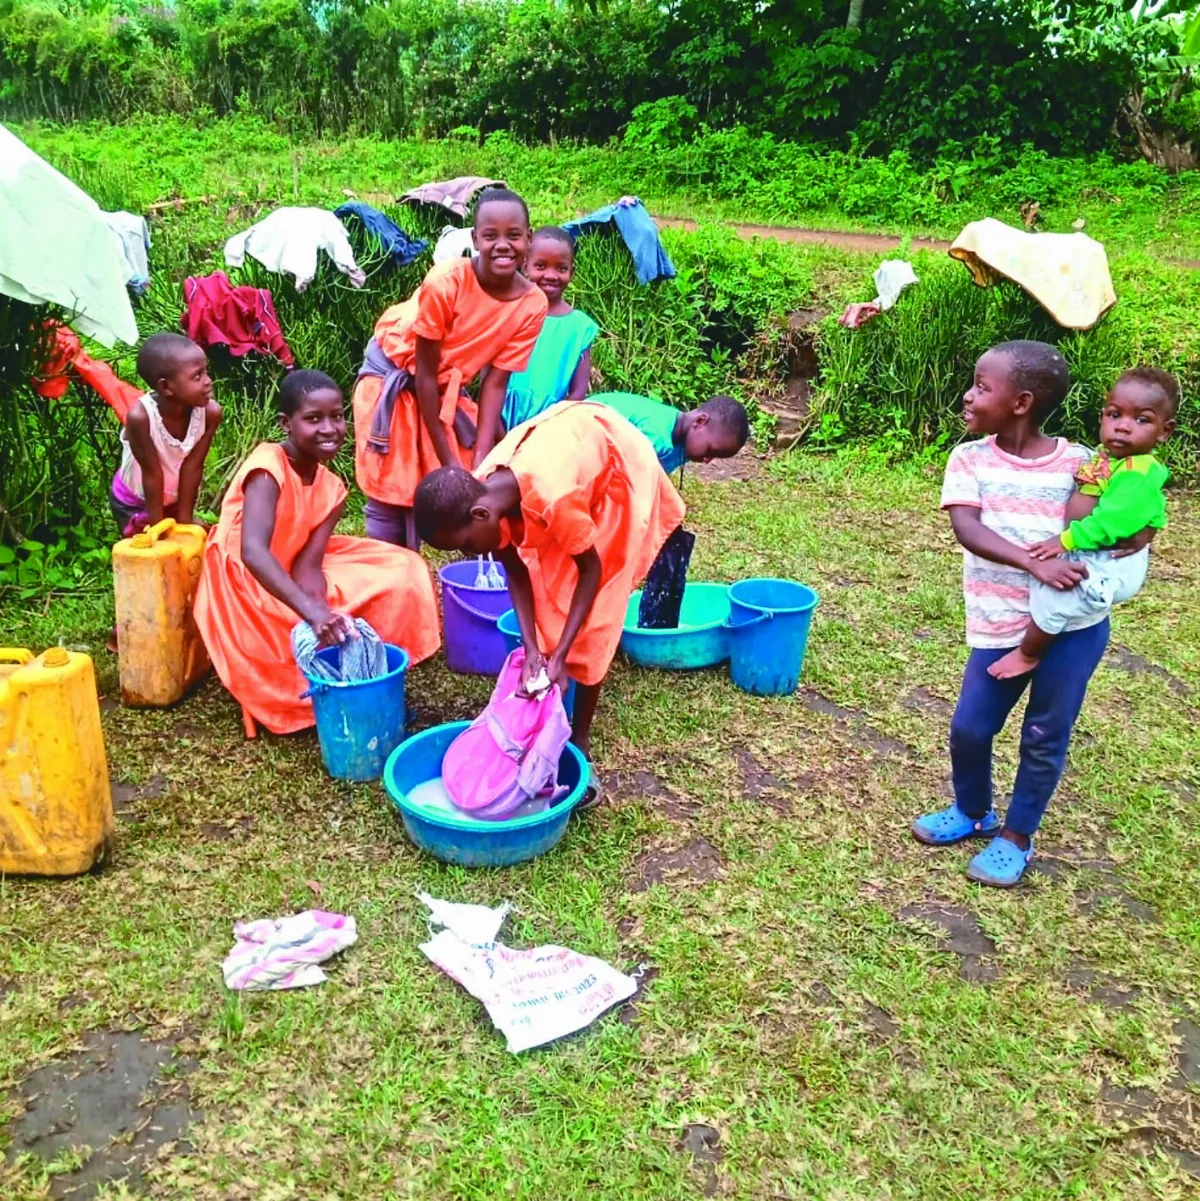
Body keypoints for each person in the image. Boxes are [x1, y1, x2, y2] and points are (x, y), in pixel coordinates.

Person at [910, 341, 1155, 888]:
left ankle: (1017, 836)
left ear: (1021, 402)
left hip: (1072, 630)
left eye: (982, 386)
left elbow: (1127, 511)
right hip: (1000, 622)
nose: (970, 396)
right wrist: (1032, 564)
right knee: (970, 728)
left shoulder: (1081, 463)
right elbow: (968, 530)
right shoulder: (969, 459)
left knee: (1045, 732)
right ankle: (974, 811)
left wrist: (1140, 529)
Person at [412, 401, 685, 796]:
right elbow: (517, 571)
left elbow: (592, 571)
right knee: (548, 588)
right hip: (567, 458)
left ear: (480, 516)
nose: (470, 555)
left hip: (615, 468)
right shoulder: (486, 493)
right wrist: (534, 649)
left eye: (467, 546)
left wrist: (561, 655)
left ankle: (582, 742)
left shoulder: (554, 499)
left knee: (597, 620)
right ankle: (558, 684)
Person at [195, 370, 440, 736]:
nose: (329, 428)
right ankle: (320, 684)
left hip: (291, 564)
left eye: (337, 416)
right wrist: (310, 613)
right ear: (286, 424)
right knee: (299, 622)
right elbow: (253, 553)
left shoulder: (332, 488)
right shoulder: (267, 469)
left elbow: (309, 565)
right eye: (313, 419)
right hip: (246, 582)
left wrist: (323, 611)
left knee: (404, 569)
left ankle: (368, 670)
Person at [352, 187, 548, 548]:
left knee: (467, 472)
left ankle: (456, 567)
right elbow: (423, 374)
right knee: (393, 485)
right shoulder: (446, 282)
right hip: (394, 379)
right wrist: (448, 463)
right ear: (475, 239)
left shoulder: (533, 304)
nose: (502, 245)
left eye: (514, 235)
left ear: (528, 239)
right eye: (490, 236)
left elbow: (494, 384)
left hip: (442, 390)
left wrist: (482, 461)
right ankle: (391, 572)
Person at [987, 366, 1177, 680]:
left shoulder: (1137, 471)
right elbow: (1153, 504)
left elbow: (1111, 522)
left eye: (1142, 420)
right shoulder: (1112, 459)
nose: (1124, 427)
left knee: (1056, 600)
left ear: (1164, 431)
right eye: (1115, 415)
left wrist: (1064, 541)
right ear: (1103, 416)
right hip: (1095, 550)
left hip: (1109, 562)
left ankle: (1028, 653)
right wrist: (1154, 523)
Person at [110, 332, 222, 537]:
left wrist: (185, 519)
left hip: (173, 501)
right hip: (134, 501)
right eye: (197, 376)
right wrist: (158, 526)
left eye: (206, 372)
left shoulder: (211, 414)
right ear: (166, 386)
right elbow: (152, 473)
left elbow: (193, 467)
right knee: (146, 555)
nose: (208, 381)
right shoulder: (141, 418)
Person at [499, 225, 598, 432]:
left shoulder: (580, 327)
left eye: (561, 268)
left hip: (551, 424)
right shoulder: (510, 311)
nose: (551, 275)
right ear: (526, 266)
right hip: (501, 414)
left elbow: (578, 391)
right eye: (541, 266)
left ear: (572, 271)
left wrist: (552, 427)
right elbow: (489, 375)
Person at [593, 391, 749, 473]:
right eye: (710, 451)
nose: (707, 460)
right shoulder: (656, 434)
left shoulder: (681, 445)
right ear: (700, 421)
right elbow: (624, 480)